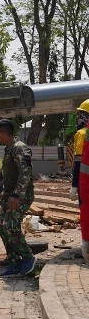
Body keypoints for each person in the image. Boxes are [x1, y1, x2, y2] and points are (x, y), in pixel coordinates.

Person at [0, 119, 36, 277]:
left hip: (20, 195)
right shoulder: (9, 149)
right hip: (10, 194)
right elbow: (9, 174)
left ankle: (27, 258)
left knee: (10, 226)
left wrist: (16, 196)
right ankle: (14, 259)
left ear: (3, 133)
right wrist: (5, 194)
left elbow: (25, 174)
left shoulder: (19, 148)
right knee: (2, 227)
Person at [72, 100, 89, 263]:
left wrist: (74, 185)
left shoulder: (83, 134)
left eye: (81, 114)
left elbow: (79, 162)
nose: (79, 117)